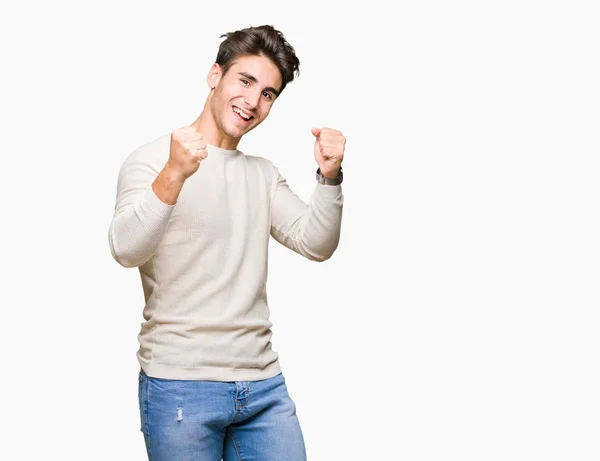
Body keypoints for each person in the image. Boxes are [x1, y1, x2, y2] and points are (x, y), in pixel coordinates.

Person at [108, 24, 345, 461]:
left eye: (269, 93)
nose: (253, 102)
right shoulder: (151, 159)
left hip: (263, 386)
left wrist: (329, 176)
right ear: (215, 75)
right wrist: (175, 173)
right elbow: (125, 248)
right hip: (180, 383)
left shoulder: (262, 173)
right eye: (246, 80)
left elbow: (316, 243)